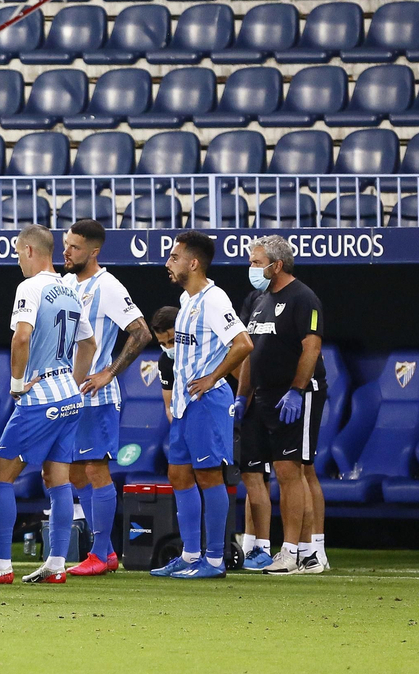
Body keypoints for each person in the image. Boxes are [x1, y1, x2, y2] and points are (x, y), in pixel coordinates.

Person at [0, 225, 96, 586]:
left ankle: (0, 564)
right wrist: (72, 381)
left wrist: (17, 386)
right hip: (69, 397)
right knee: (58, 478)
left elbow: (21, 337)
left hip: (40, 399)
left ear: (31, 251)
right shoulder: (70, 289)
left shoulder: (30, 287)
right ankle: (55, 565)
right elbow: (89, 344)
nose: (18, 260)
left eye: (19, 253)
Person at [150, 231, 253, 581]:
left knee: (209, 477)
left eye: (174, 257)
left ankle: (214, 559)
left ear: (193, 263)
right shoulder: (186, 300)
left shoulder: (214, 298)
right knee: (178, 474)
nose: (168, 262)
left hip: (207, 401)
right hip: (184, 402)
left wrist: (213, 378)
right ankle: (190, 553)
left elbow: (242, 344)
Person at [60, 219, 152, 576]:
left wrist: (108, 372)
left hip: (96, 397)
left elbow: (141, 332)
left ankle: (100, 553)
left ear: (94, 252)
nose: (66, 252)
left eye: (74, 247)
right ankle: (107, 551)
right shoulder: (66, 283)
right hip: (68, 395)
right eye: (66, 244)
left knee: (96, 470)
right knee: (72, 472)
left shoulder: (109, 286)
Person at [236, 235, 329, 576]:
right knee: (270, 471)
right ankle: (298, 552)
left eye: (256, 262)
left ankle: (297, 552)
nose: (251, 268)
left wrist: (297, 390)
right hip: (262, 395)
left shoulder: (304, 298)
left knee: (292, 470)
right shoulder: (260, 301)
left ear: (276, 265)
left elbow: (311, 348)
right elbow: (250, 352)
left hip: (294, 395)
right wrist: (242, 395)